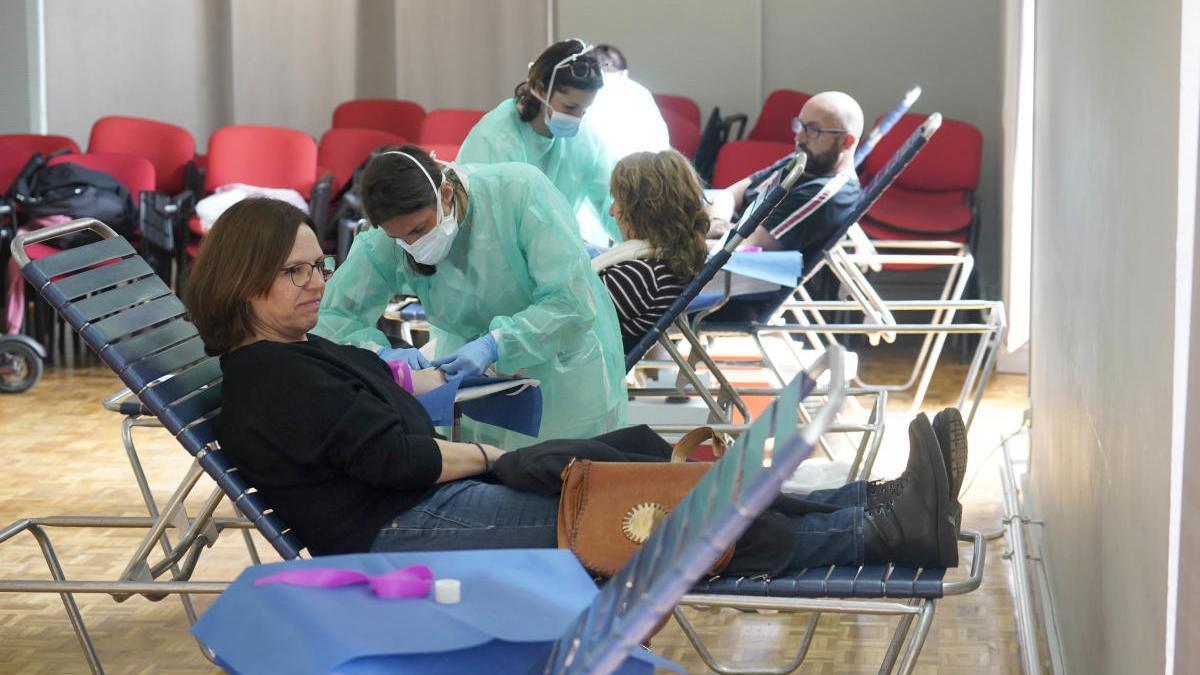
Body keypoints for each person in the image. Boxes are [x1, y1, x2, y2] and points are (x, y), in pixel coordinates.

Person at [184, 196, 967, 565]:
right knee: (652, 511)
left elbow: (401, 422)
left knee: (642, 461)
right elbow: (404, 459)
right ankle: (877, 532)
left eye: (317, 264)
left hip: (429, 499)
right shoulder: (268, 380)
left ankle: (868, 501)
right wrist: (492, 458)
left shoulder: (302, 352)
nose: (317, 281)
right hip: (404, 523)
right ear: (242, 282)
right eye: (294, 272)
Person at [313, 145, 627, 448]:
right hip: (471, 382)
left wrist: (497, 344)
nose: (412, 244)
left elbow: (570, 301)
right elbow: (330, 318)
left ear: (446, 194)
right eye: (400, 237)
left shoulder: (519, 193)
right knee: (490, 480)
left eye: (420, 229)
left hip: (563, 369)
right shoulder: (386, 242)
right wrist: (378, 357)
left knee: (568, 485)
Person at [705, 91, 864, 323]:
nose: (799, 137)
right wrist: (717, 223)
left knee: (644, 273)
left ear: (847, 141)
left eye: (813, 130)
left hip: (737, 281)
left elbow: (742, 244)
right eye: (799, 125)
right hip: (719, 253)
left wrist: (685, 238)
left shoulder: (828, 193)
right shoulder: (802, 161)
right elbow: (729, 194)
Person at [457, 39, 621, 246]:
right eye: (570, 107)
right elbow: (484, 227)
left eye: (585, 109)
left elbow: (612, 205)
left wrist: (638, 244)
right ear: (540, 89)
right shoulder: (495, 139)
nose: (578, 118)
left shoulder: (586, 141)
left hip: (552, 253)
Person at [595, 150, 708, 352]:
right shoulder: (664, 266)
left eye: (617, 200)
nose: (611, 211)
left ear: (642, 209)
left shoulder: (637, 276)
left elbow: (557, 325)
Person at [584, 44, 671, 161]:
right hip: (649, 170)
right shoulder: (641, 92)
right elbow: (662, 144)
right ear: (625, 72)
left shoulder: (586, 91)